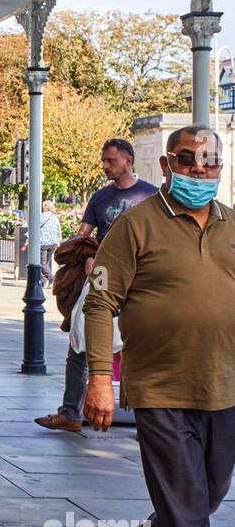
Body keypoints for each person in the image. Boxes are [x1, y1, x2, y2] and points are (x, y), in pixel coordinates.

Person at [84, 125, 235, 527]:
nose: (201, 171)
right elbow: (99, 303)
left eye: (210, 162)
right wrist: (100, 378)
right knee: (188, 495)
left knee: (208, 492)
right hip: (159, 386)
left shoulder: (231, 226)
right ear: (169, 165)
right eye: (190, 161)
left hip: (225, 384)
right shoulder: (135, 226)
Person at [35, 137, 156, 434]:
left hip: (142, 278)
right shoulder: (100, 198)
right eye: (103, 161)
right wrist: (88, 255)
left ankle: (150, 420)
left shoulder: (152, 196)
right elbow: (84, 236)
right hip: (103, 276)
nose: (105, 167)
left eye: (110, 161)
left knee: (143, 346)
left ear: (128, 160)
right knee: (81, 337)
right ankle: (70, 412)